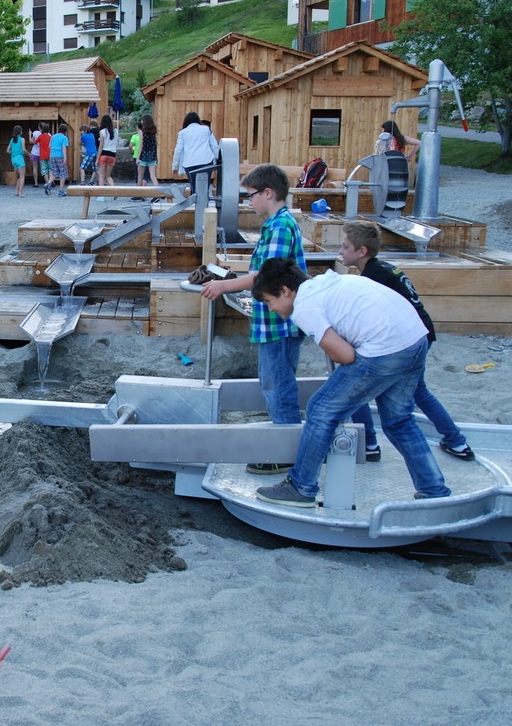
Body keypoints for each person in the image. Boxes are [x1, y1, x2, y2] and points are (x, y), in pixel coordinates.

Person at [250, 257, 453, 506]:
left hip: (385, 349)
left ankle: (300, 487)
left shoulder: (304, 306)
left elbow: (345, 356)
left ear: (285, 291)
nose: (272, 310)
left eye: (270, 302)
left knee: (321, 409)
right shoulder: (326, 283)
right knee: (399, 421)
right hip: (415, 338)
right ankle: (433, 489)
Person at [200, 164, 307, 473]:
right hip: (270, 321)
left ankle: (286, 453)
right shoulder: (275, 224)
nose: (249, 202)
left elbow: (265, 275)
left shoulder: (280, 226)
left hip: (280, 323)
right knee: (271, 382)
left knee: (278, 385)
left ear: (268, 193)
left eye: (251, 196)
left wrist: (223, 286)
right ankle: (283, 443)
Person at [339, 222, 475, 461]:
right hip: (421, 332)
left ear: (362, 251)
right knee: (418, 391)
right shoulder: (382, 268)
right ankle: (456, 441)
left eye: (345, 246)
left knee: (355, 385)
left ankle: (368, 443)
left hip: (407, 338)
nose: (340, 251)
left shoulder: (372, 277)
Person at [171, 111, 218, 194]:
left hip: (189, 163)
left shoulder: (182, 133)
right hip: (206, 161)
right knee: (204, 187)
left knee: (193, 185)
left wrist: (175, 165)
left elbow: (178, 150)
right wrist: (217, 159)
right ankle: (204, 203)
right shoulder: (206, 129)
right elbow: (214, 146)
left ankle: (195, 202)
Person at [97, 114, 119, 186]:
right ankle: (114, 191)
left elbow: (101, 146)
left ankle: (101, 195)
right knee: (108, 176)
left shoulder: (102, 131)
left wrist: (97, 159)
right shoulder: (116, 131)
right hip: (112, 154)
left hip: (104, 153)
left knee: (101, 176)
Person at [138, 114, 159, 187]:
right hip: (152, 155)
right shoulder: (154, 132)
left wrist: (138, 157)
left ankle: (138, 193)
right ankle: (158, 193)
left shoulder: (141, 132)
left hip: (143, 155)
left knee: (140, 175)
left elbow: (141, 145)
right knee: (153, 175)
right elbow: (156, 144)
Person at [50, 123, 71, 196]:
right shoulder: (64, 138)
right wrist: (65, 158)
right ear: (65, 131)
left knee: (54, 172)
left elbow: (50, 146)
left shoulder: (53, 136)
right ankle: (61, 190)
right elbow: (64, 147)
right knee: (63, 173)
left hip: (53, 155)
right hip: (60, 156)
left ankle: (48, 183)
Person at [9, 126, 28, 197]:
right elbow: (23, 150)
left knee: (20, 176)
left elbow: (8, 150)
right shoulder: (22, 139)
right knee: (22, 176)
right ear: (21, 132)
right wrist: (29, 154)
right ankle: (20, 193)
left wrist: (14, 151)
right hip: (19, 158)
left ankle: (16, 191)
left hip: (13, 159)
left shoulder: (11, 140)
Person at [35, 122, 53, 194]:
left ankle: (47, 183)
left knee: (44, 171)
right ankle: (49, 183)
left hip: (42, 155)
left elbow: (35, 142)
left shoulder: (40, 136)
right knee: (50, 170)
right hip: (49, 155)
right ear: (48, 130)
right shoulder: (50, 137)